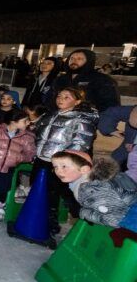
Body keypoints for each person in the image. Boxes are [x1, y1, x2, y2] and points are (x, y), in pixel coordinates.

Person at [33, 87, 99, 234]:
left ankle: (87, 222)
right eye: (59, 96)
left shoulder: (81, 119)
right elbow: (39, 136)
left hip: (62, 164)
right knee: (43, 191)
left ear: (77, 101)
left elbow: (80, 143)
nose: (60, 99)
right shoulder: (49, 115)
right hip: (42, 159)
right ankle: (43, 220)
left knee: (65, 193)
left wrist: (64, 162)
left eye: (66, 97)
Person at [51, 151, 137, 228]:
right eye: (55, 167)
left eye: (64, 166)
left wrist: (83, 212)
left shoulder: (90, 190)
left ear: (84, 169)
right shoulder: (96, 180)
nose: (58, 171)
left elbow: (114, 219)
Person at [53, 49, 119, 113]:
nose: (74, 61)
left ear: (89, 61)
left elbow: (110, 105)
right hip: (59, 116)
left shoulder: (101, 79)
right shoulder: (61, 79)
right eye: (71, 58)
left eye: (79, 59)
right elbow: (52, 98)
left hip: (88, 117)